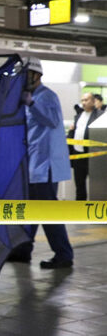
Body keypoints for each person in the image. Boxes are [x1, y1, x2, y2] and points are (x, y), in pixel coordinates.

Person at [7, 57, 74, 269]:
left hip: (47, 167)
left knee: (47, 211)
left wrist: (32, 104)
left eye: (26, 75)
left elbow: (52, 121)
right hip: (34, 165)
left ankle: (64, 254)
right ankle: (23, 250)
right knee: (30, 209)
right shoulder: (28, 98)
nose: (23, 79)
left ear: (37, 75)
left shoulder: (46, 96)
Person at [69, 92, 103, 200]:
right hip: (78, 156)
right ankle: (80, 212)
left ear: (93, 101)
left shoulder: (100, 115)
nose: (84, 102)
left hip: (93, 156)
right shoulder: (78, 116)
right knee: (79, 186)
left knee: (97, 186)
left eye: (86, 100)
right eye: (82, 100)